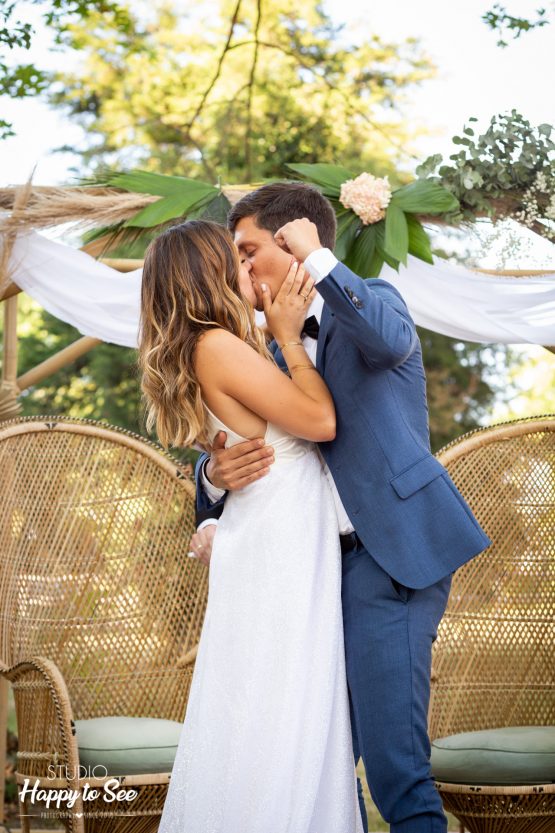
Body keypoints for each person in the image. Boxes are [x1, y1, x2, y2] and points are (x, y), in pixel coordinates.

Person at [193, 182, 493, 833]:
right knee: (319, 763)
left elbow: (385, 343)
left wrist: (319, 261)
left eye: (248, 252)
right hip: (306, 576)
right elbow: (243, 442)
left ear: (291, 240)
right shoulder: (269, 352)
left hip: (387, 559)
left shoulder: (374, 303)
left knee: (394, 771)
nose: (239, 270)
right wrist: (212, 480)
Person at [138, 219, 365, 833]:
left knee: (270, 709)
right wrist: (291, 340)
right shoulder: (218, 346)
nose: (247, 269)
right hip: (277, 546)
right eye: (233, 260)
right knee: (277, 711)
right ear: (208, 275)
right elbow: (319, 419)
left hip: (274, 536)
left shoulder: (212, 346)